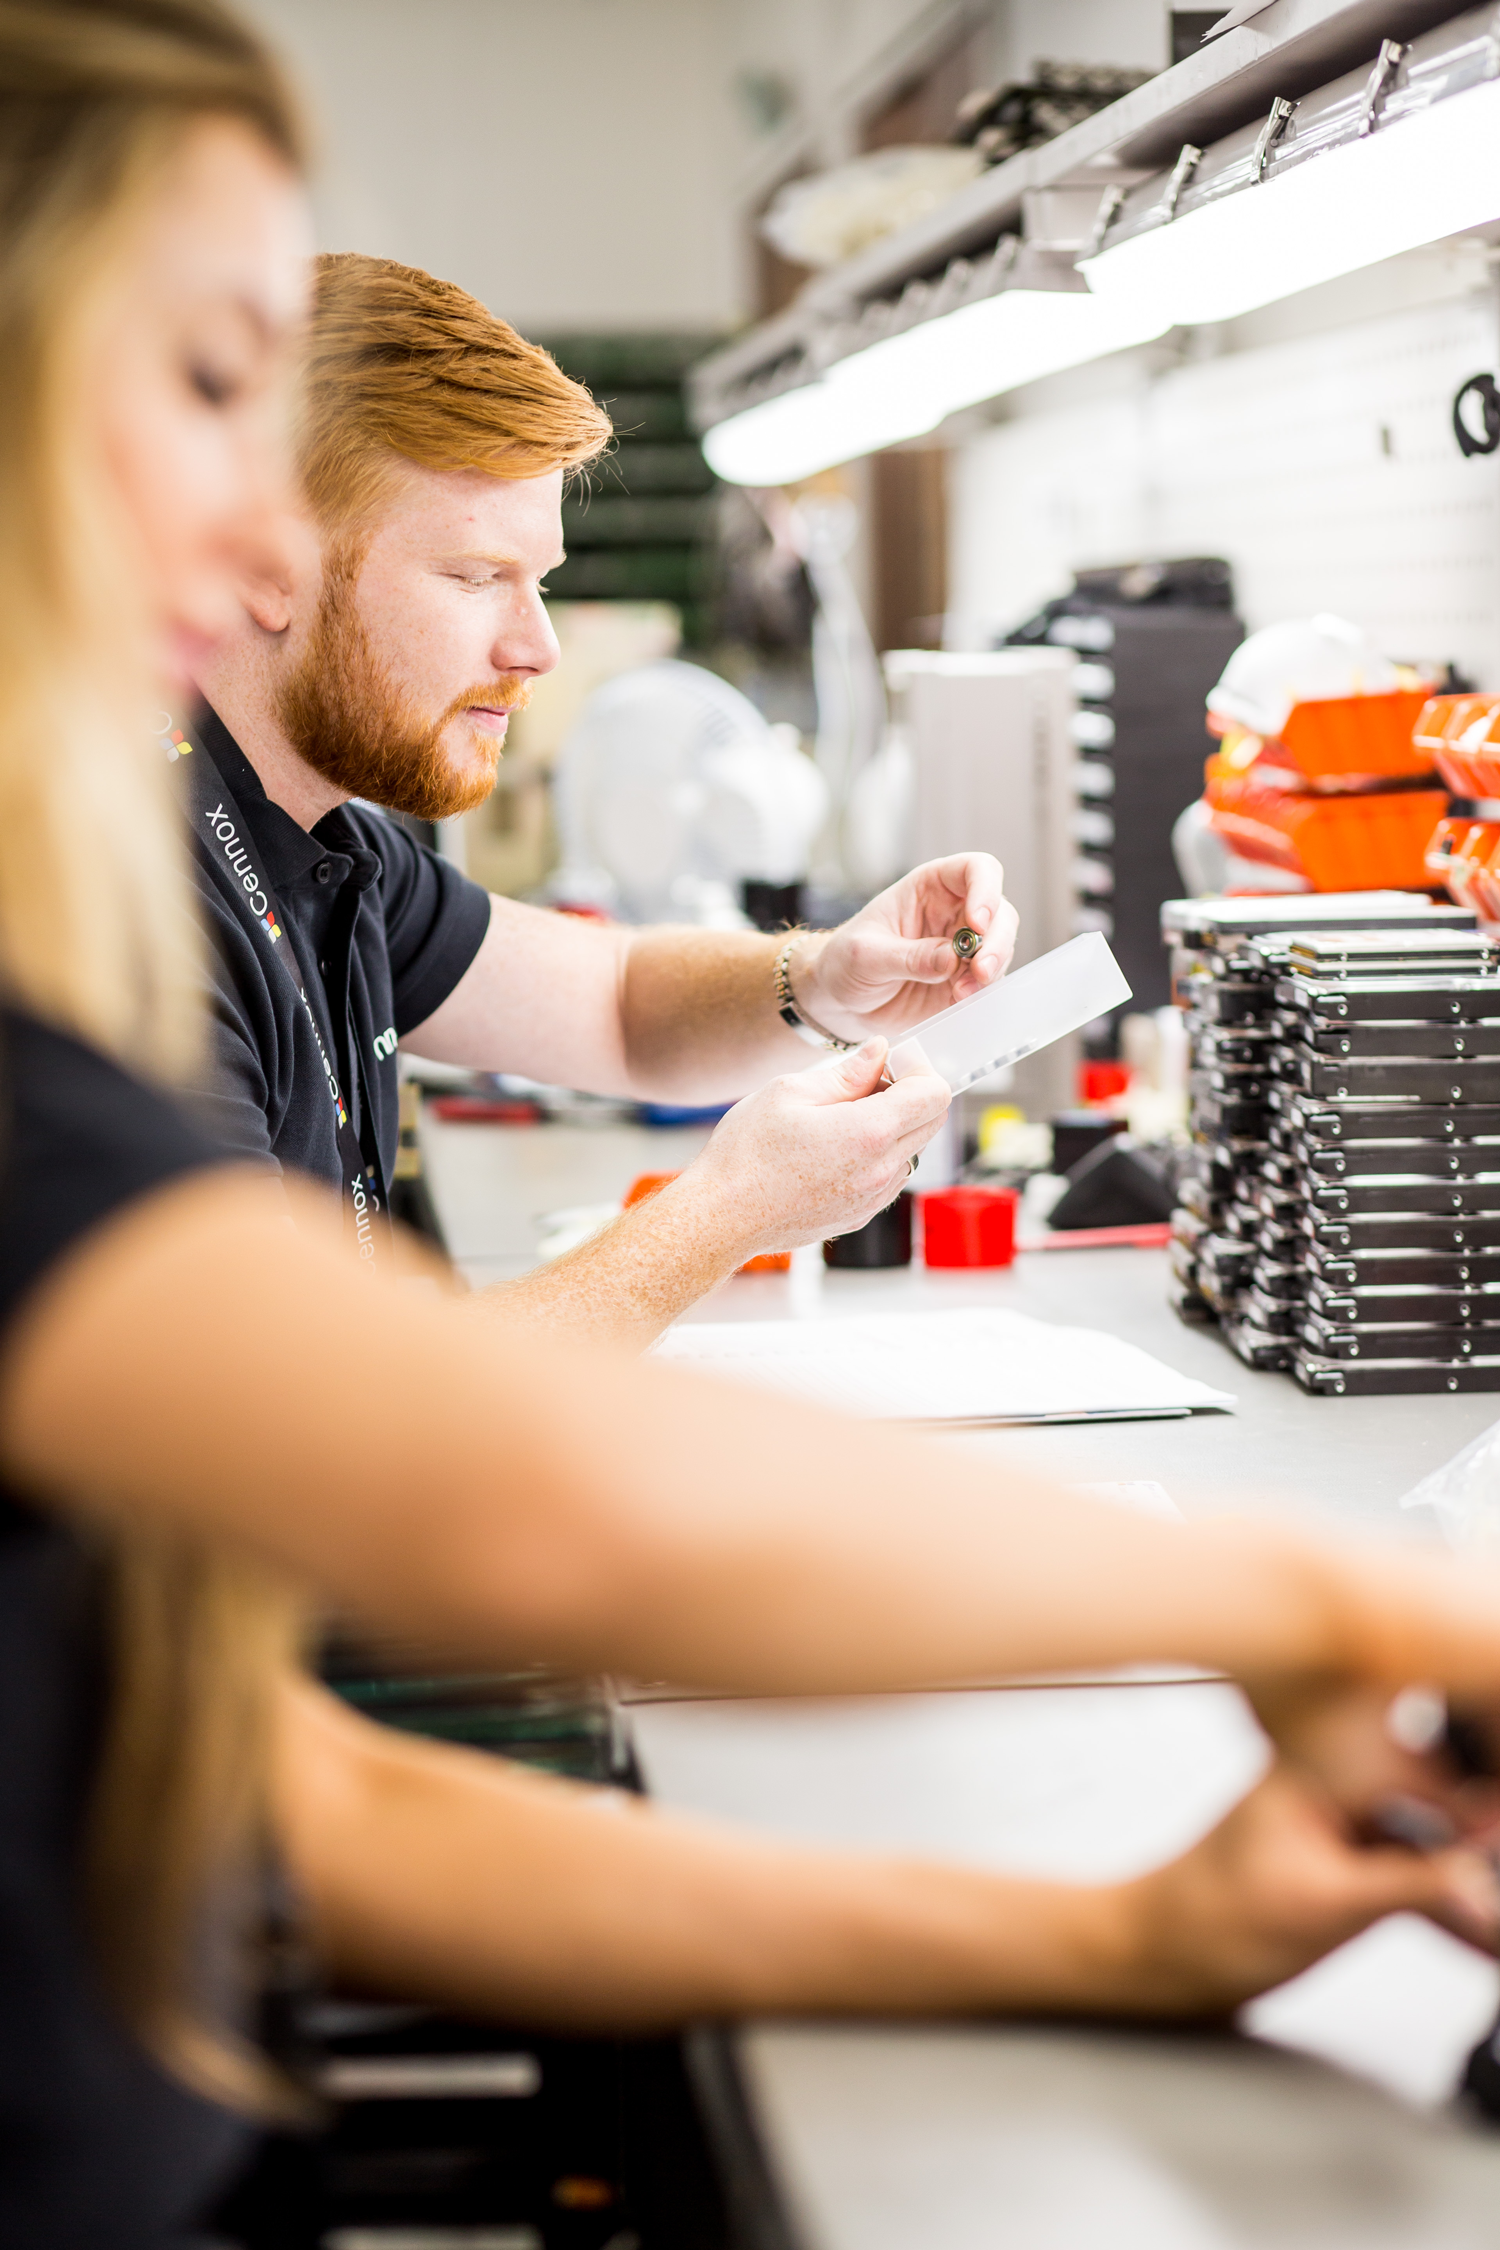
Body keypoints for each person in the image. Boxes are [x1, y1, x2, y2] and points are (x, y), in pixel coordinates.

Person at [6, 6, 1500, 2245]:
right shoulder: (77, 966)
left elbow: (259, 1795)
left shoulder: (269, 849)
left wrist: (1128, 1945)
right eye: (202, 380)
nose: (257, 522)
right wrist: (1319, 1599)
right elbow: (479, 1491)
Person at [181, 248, 1007, 1342]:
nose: (539, 648)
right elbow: (299, 1423)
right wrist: (727, 1210)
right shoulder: (122, 918)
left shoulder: (327, 842)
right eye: (477, 577)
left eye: (543, 583)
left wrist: (822, 980)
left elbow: (616, 1005)